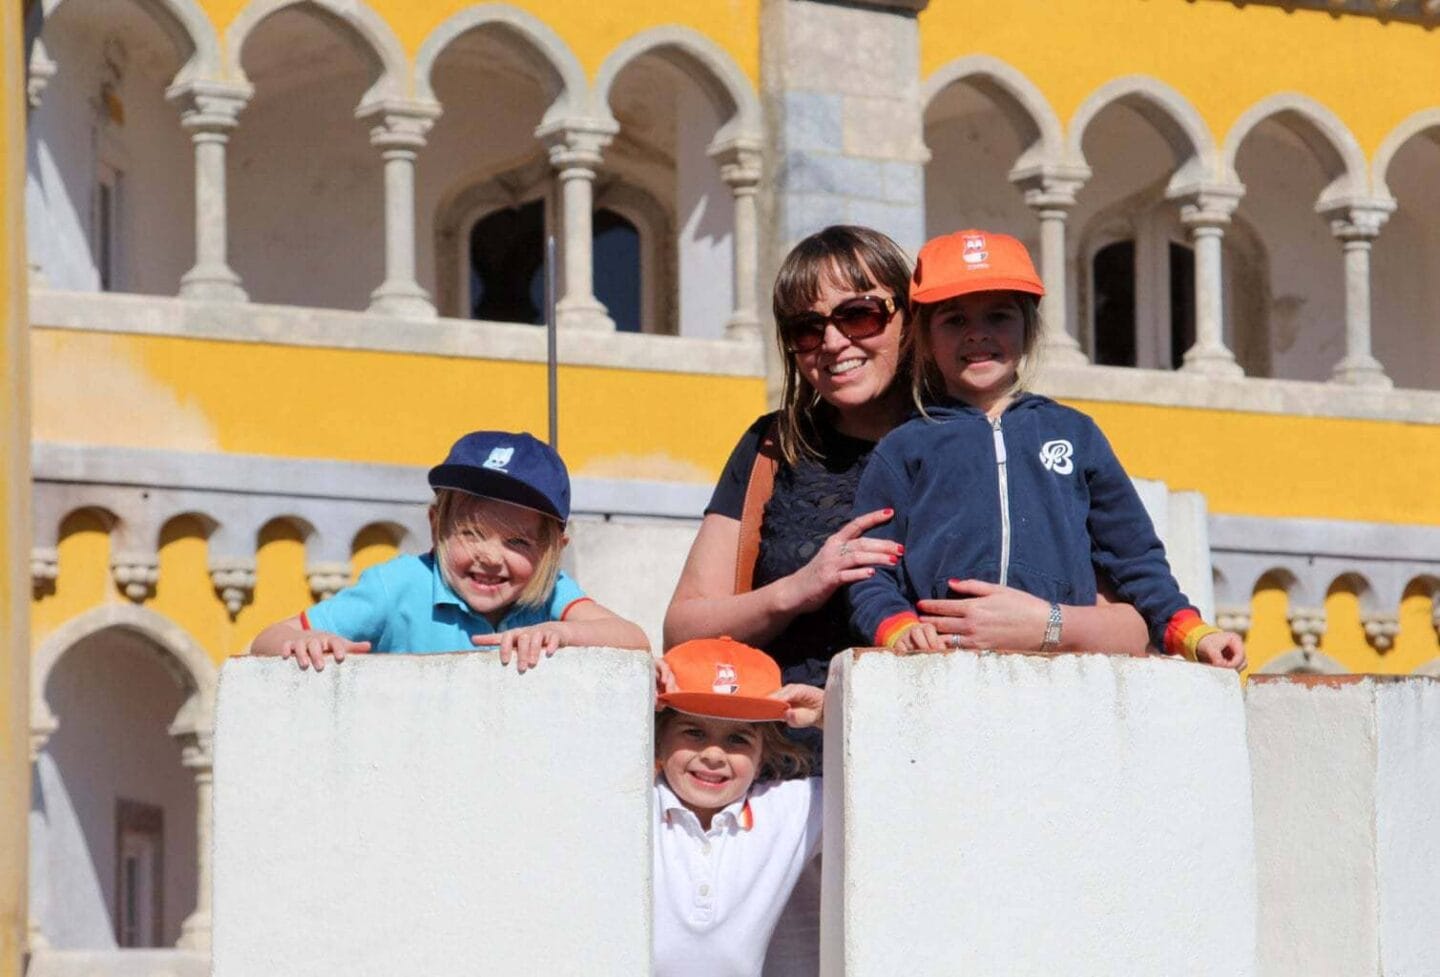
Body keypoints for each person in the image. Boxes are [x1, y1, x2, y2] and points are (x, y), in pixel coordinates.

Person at [664, 226, 1150, 694]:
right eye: (806, 328)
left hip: (946, 743)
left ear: (911, 319)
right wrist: (796, 589)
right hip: (789, 752)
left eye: (859, 315)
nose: (833, 343)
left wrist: (1046, 625)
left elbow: (1134, 626)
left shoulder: (1004, 440)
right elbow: (683, 629)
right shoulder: (772, 444)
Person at [847, 229, 1245, 668]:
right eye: (955, 320)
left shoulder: (1075, 433)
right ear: (924, 336)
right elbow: (869, 572)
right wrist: (897, 626)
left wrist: (1190, 630)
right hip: (942, 670)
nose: (977, 334)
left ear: (1030, 328)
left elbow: (1133, 555)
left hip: (1062, 670)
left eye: (998, 316)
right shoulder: (904, 446)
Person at [251, 430, 649, 670]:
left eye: (518, 542)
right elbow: (268, 638)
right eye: (472, 533)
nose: (491, 557)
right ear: (435, 524)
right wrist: (305, 643)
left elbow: (633, 639)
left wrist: (561, 633)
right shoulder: (399, 584)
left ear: (553, 549)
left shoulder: (550, 593)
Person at [652, 636, 825, 977]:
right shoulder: (626, 804)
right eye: (693, 731)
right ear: (659, 737)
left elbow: (887, 786)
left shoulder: (790, 810)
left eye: (737, 739)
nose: (714, 755)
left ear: (764, 754)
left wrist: (831, 712)